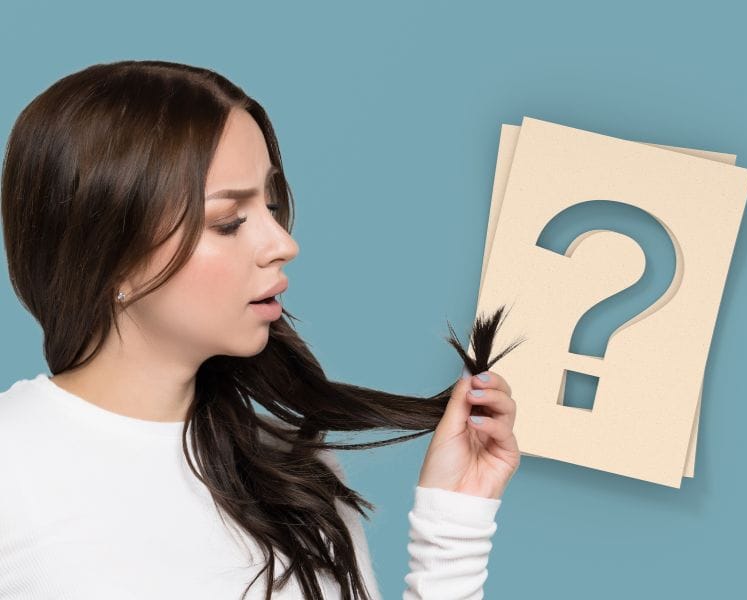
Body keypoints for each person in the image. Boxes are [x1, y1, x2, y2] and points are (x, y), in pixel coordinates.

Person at [0, 60, 522, 599]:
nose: (283, 243)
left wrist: (455, 521)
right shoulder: (12, 469)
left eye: (271, 204)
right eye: (228, 222)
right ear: (110, 258)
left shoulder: (293, 475)